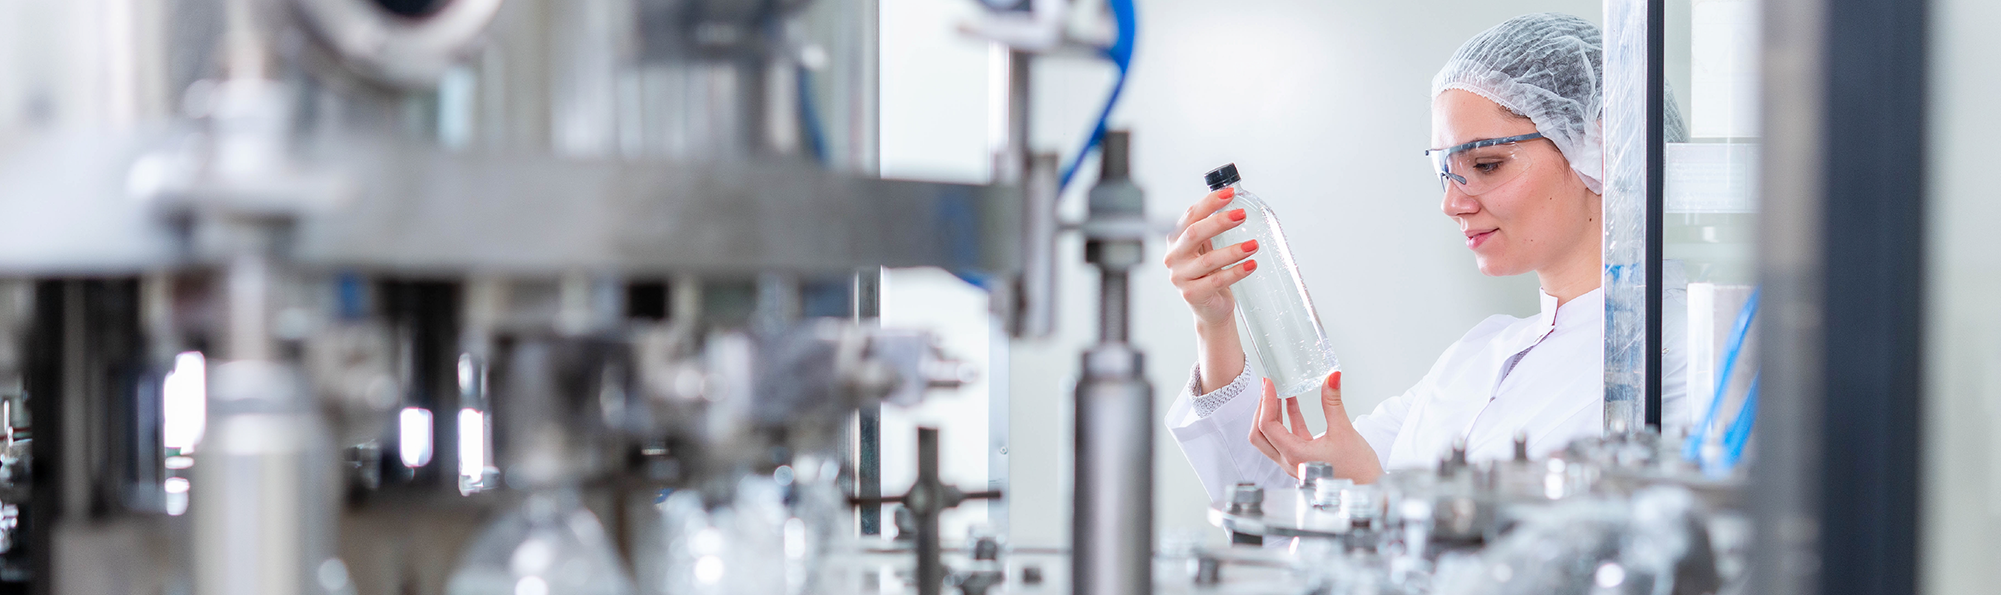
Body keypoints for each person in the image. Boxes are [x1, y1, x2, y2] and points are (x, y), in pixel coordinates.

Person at [1161, 13, 1687, 502]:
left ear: (1602, 145)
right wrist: (1216, 323)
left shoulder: (1678, 359)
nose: (1452, 203)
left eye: (1486, 164)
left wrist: (1377, 499)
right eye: (1446, 170)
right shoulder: (1477, 359)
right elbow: (1281, 500)